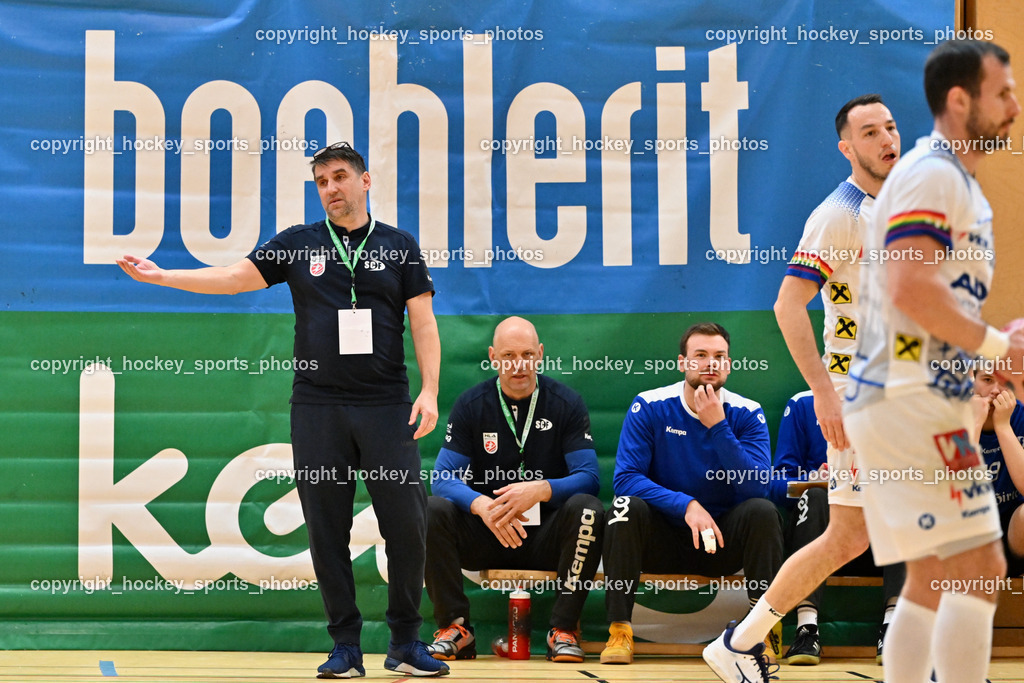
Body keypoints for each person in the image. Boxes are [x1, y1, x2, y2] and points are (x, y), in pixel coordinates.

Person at [116, 142, 448, 678]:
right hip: (318, 407)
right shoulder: (297, 244)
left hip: (386, 405)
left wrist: (429, 390)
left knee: (408, 525)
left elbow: (424, 321)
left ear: (366, 181)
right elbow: (232, 278)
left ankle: (406, 643)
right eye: (321, 181)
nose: (331, 188)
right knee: (327, 529)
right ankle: (345, 646)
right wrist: (162, 276)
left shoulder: (399, 246)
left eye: (339, 176)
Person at [843, 39, 1024, 683]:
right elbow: (908, 285)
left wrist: (985, 352)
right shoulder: (935, 173)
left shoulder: (954, 181)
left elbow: (925, 305)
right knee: (980, 567)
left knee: (930, 575)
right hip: (907, 400)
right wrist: (998, 346)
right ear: (960, 101)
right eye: (1003, 92)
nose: (1015, 105)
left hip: (906, 395)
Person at [704, 93, 902, 682]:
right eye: (870, 132)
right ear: (846, 148)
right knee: (852, 535)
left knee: (880, 530)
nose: (886, 139)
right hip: (859, 396)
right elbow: (788, 306)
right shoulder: (838, 215)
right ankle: (740, 641)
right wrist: (824, 392)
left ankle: (740, 642)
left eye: (890, 127)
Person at [600, 322, 783, 666]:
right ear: (682, 362)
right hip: (663, 540)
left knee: (763, 511)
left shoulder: (747, 412)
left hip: (721, 544)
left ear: (729, 365)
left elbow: (757, 486)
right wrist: (686, 505)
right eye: (700, 355)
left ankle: (762, 631)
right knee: (624, 507)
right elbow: (625, 479)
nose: (711, 363)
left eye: (719, 356)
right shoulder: (650, 405)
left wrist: (718, 427)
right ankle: (619, 630)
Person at [423, 316, 603, 663]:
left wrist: (541, 490)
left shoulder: (566, 403)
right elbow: (442, 478)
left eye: (526, 354)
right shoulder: (471, 404)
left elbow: (589, 477)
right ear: (493, 357)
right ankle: (455, 628)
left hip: (544, 537)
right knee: (432, 509)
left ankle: (563, 630)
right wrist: (482, 506)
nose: (518, 364)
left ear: (540, 354)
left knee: (589, 509)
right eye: (508, 356)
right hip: (487, 533)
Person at [768, 390, 905, 665]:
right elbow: (776, 486)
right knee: (816, 496)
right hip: (824, 539)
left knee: (905, 499)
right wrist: (813, 480)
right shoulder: (803, 404)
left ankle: (893, 626)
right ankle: (807, 628)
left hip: (878, 544)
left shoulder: (896, 401)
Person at [972, 369, 1024, 577]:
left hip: (1012, 537)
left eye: (1004, 382)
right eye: (987, 380)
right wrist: (974, 424)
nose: (995, 390)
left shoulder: (1021, 417)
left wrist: (1003, 426)